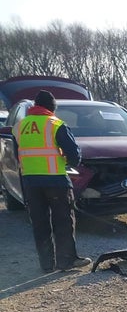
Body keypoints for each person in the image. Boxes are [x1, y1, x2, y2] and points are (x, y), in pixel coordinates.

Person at [12, 89, 90, 271]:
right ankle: (67, 261)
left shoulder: (20, 126)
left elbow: (19, 154)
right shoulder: (55, 124)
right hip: (56, 180)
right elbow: (74, 154)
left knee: (40, 224)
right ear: (51, 107)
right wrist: (67, 162)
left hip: (30, 182)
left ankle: (47, 264)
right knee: (63, 221)